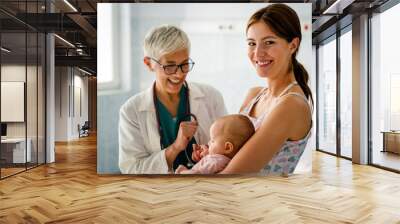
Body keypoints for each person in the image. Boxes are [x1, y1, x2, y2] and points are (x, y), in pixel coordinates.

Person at [119, 25, 227, 174]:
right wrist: (176, 147)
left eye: (184, 64)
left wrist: (207, 153)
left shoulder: (211, 97)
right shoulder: (131, 111)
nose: (179, 75)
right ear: (148, 63)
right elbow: (131, 169)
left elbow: (229, 148)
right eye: (169, 66)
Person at [220, 4, 313, 175]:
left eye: (269, 42)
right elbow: (230, 154)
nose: (258, 52)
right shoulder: (254, 95)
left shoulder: (292, 105)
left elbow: (231, 176)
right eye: (252, 43)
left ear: (292, 45)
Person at [175, 114, 255, 174]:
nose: (209, 142)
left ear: (227, 147)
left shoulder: (215, 163)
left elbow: (198, 175)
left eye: (213, 140)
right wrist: (206, 153)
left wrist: (183, 172)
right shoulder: (220, 159)